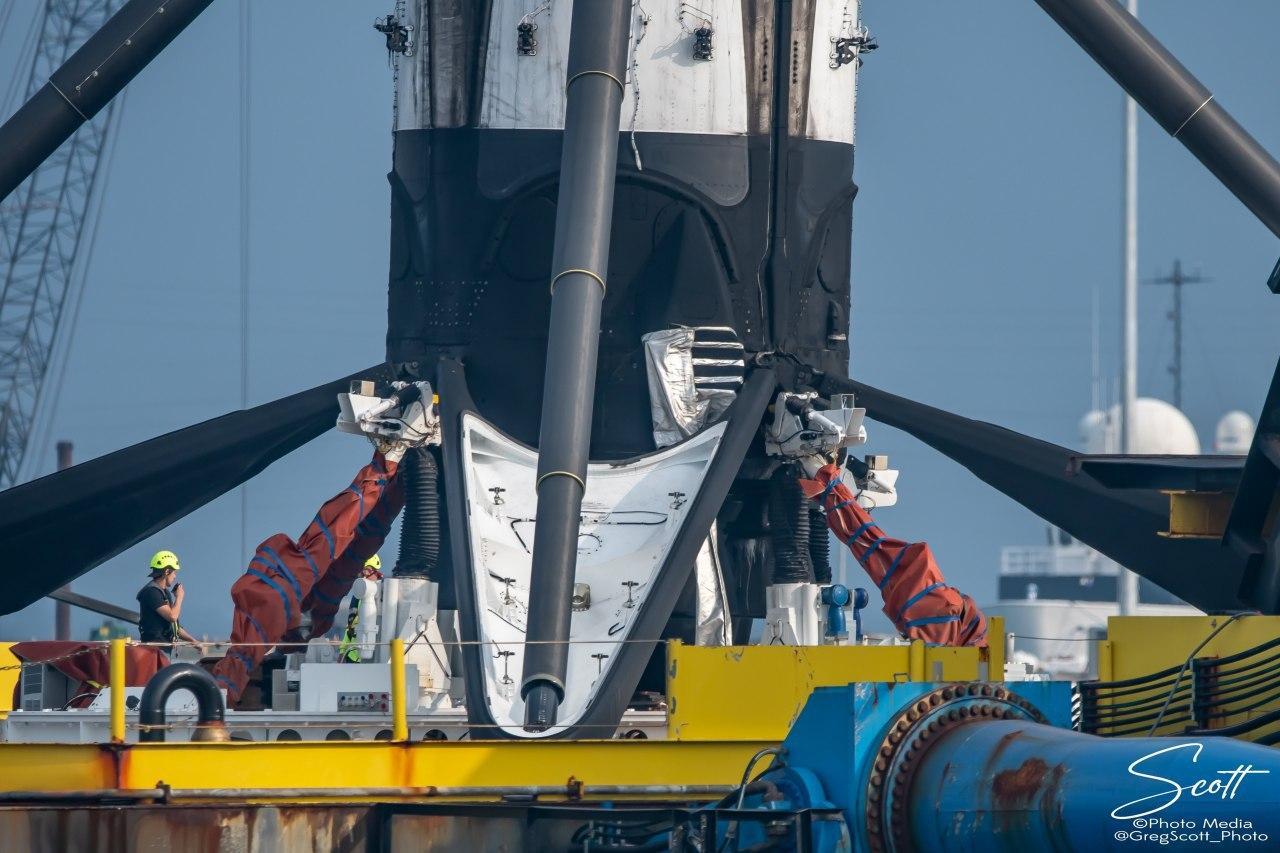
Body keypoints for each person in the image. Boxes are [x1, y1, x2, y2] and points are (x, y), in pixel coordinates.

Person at [136, 550, 201, 648]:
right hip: (155, 651)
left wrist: (193, 641)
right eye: (174, 572)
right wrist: (179, 597)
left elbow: (174, 626)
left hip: (164, 649)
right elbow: (172, 616)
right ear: (167, 571)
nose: (175, 576)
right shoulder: (152, 592)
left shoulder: (164, 592)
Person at [337, 555, 384, 663]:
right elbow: (350, 627)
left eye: (363, 570)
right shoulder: (358, 596)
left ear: (370, 571)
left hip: (373, 657)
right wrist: (342, 651)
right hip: (353, 654)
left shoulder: (383, 595)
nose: (361, 574)